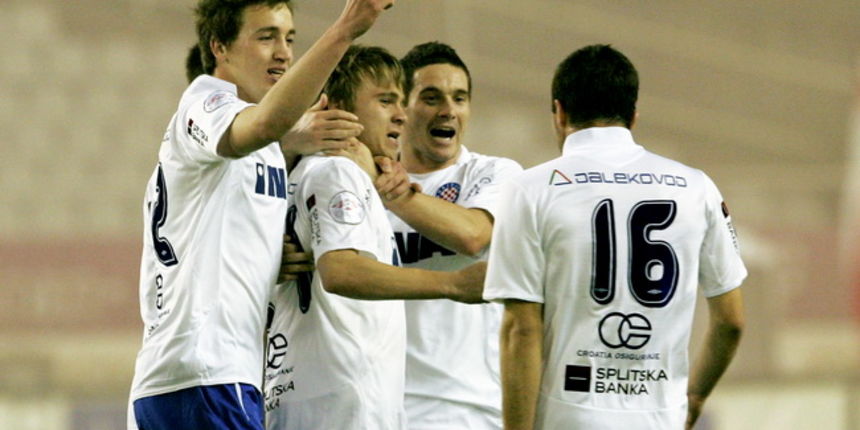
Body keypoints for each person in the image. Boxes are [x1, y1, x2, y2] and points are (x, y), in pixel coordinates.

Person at [128, 1, 396, 429]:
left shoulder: (268, 150)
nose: (284, 53)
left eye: (290, 38)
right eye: (266, 36)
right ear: (220, 46)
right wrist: (346, 29)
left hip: (196, 377)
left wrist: (270, 258)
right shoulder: (206, 102)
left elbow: (223, 211)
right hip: (206, 375)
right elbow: (260, 127)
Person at [482, 44, 746, 429]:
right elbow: (731, 323)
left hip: (569, 416)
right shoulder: (696, 187)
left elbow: (521, 329)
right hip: (660, 417)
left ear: (559, 112)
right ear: (634, 115)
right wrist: (694, 397)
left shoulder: (530, 189)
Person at [264, 45, 486, 430]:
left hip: (300, 390)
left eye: (401, 101)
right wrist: (452, 283)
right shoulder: (340, 172)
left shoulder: (293, 176)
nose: (401, 114)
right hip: (343, 399)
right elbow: (342, 271)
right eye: (386, 101)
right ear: (335, 109)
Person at [379, 41, 523, 430]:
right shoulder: (357, 183)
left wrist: (389, 190)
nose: (448, 111)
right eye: (431, 97)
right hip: (381, 403)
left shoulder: (495, 174)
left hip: (469, 407)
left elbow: (473, 235)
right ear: (400, 108)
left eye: (460, 98)